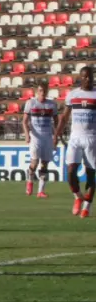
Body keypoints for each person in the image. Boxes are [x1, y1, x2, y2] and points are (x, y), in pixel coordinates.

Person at [56, 66, 96, 218]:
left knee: (91, 175)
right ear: (80, 78)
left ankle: (87, 206)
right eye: (84, 77)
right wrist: (55, 136)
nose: (87, 79)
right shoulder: (73, 94)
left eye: (90, 77)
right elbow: (64, 118)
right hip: (75, 138)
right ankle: (78, 196)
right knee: (71, 172)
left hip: (92, 138)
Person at [22, 79, 58, 198]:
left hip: (47, 137)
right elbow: (24, 121)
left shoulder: (52, 104)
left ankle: (40, 191)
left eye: (45, 91)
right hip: (35, 137)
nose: (42, 93)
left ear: (47, 92)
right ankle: (30, 181)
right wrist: (27, 134)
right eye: (40, 91)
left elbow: (56, 122)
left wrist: (56, 136)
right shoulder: (31, 103)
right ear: (37, 92)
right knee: (34, 162)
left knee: (45, 164)